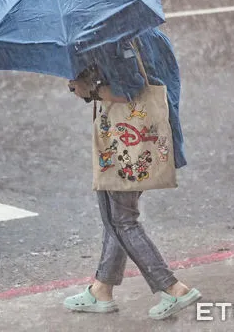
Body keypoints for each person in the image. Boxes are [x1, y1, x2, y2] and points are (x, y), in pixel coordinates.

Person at [64, 28, 201, 320]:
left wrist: (87, 89)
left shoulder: (112, 39)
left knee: (121, 219)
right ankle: (101, 289)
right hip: (151, 135)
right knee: (112, 209)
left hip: (128, 142)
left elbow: (129, 89)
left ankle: (173, 288)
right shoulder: (148, 32)